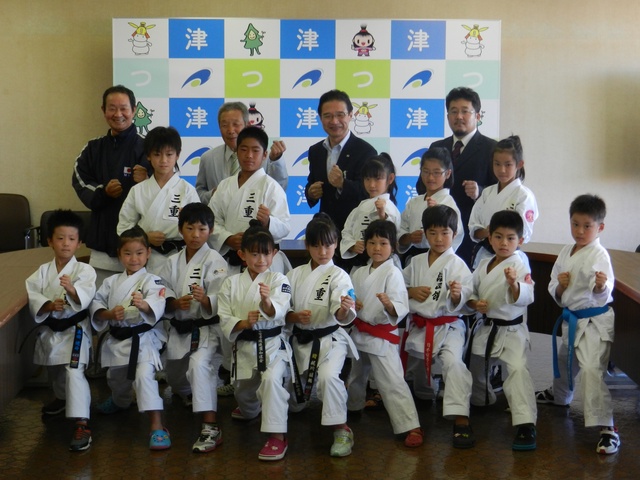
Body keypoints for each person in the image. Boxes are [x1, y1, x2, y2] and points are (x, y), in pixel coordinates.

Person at [536, 194, 620, 455]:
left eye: (587, 226)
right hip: (573, 319)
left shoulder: (600, 255)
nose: (580, 231)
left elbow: (607, 291)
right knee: (565, 360)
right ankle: (559, 396)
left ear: (600, 227)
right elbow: (553, 284)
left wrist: (600, 286)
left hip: (594, 321)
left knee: (591, 371)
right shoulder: (566, 250)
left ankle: (608, 429)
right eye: (575, 224)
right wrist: (559, 286)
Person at [218, 221, 292, 461]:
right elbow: (225, 317)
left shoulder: (280, 279)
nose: (261, 259)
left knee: (271, 380)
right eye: (255, 253)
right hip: (244, 346)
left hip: (272, 345)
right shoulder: (230, 283)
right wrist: (242, 323)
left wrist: (267, 303)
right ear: (242, 255)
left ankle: (277, 436)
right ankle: (251, 409)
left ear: (274, 254)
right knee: (244, 394)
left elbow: (279, 310)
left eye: (266, 253)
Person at [90, 227, 170, 450]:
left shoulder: (153, 281)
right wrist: (108, 314)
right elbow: (97, 304)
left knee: (144, 377)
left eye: (139, 253)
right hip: (117, 339)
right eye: (128, 253)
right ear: (119, 254)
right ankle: (120, 400)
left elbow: (158, 304)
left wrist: (143, 304)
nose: (134, 259)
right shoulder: (111, 282)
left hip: (142, 339)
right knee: (116, 379)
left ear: (148, 254)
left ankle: (157, 426)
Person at [402, 205, 475, 448]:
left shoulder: (458, 265)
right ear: (424, 233)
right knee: (417, 381)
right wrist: (410, 290)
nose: (439, 239)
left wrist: (457, 296)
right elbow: (396, 287)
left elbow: (467, 301)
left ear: (454, 234)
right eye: (432, 233)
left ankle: (461, 419)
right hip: (420, 326)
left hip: (449, 326)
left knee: (454, 364)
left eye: (445, 233)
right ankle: (421, 396)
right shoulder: (415, 261)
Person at [286, 213, 358, 457]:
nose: (322, 251)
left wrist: (343, 308)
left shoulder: (339, 275)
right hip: (300, 340)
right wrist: (293, 317)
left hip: (329, 341)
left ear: (336, 243)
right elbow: (281, 307)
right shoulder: (294, 275)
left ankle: (342, 429)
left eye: (328, 244)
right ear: (307, 245)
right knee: (293, 402)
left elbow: (341, 308)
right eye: (316, 245)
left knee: (327, 377)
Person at [347, 220, 423, 448]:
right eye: (372, 243)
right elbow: (349, 297)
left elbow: (399, 307)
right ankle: (353, 407)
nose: (377, 248)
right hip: (359, 332)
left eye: (383, 243)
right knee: (356, 376)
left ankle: (411, 425)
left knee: (391, 381)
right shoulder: (359, 272)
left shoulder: (393, 273)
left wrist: (390, 305)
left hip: (381, 335)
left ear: (393, 247)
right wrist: (353, 304)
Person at [158, 203, 228, 453]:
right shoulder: (172, 261)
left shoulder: (216, 261)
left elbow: (223, 299)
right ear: (180, 230)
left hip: (205, 329)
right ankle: (189, 393)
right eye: (190, 228)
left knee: (199, 366)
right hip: (178, 328)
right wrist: (174, 302)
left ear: (210, 231)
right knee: (176, 377)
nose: (195, 234)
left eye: (202, 228)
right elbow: (161, 292)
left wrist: (205, 299)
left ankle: (210, 426)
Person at [464, 210, 537, 451]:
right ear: (490, 238)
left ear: (520, 241)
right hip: (487, 327)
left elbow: (527, 294)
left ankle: (526, 424)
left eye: (510, 238)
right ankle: (484, 398)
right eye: (498, 237)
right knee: (476, 365)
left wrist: (514, 284)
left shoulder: (519, 262)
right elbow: (471, 290)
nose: (504, 243)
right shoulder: (484, 264)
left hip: (512, 330)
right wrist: (475, 304)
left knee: (516, 370)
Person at [25, 210, 97, 451]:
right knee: (55, 370)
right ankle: (62, 398)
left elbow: (85, 298)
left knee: (74, 371)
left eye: (71, 238)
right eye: (60, 238)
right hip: (52, 328)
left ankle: (82, 422)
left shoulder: (84, 271)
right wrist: (48, 304)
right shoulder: (42, 271)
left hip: (75, 328)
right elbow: (33, 294)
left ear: (79, 242)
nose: (66, 243)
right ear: (49, 241)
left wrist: (72, 290)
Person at [72, 85, 149, 285]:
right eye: (112, 108)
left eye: (123, 108)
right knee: (101, 307)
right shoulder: (93, 148)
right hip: (102, 245)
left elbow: (164, 191)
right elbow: (80, 181)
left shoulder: (148, 148)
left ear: (133, 110)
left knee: (137, 308)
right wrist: (103, 192)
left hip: (139, 249)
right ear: (103, 111)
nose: (118, 114)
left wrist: (148, 182)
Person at [418, 87, 497, 266]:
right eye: (453, 112)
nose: (459, 116)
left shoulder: (491, 148)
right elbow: (421, 186)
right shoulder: (437, 146)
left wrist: (480, 191)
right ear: (447, 117)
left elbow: (501, 191)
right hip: (438, 234)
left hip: (472, 236)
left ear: (477, 116)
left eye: (464, 111)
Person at [208, 126, 291, 274]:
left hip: (262, 262)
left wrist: (268, 222)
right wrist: (227, 238)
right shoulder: (225, 185)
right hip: (230, 259)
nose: (249, 155)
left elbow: (285, 226)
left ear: (265, 154)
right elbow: (211, 221)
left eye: (255, 150)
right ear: (236, 151)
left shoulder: (271, 187)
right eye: (244, 149)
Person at [117, 126, 199, 274]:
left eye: (169, 154)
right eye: (157, 154)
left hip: (179, 256)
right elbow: (123, 227)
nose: (163, 160)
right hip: (145, 258)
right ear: (148, 156)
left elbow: (199, 229)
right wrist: (145, 237)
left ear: (178, 155)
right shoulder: (138, 190)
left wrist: (186, 226)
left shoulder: (187, 190)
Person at [305, 89, 377, 235]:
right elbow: (312, 182)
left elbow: (370, 193)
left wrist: (343, 184)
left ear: (350, 115)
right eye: (327, 116)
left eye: (340, 115)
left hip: (356, 232)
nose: (334, 121)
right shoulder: (316, 151)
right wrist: (311, 193)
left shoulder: (366, 151)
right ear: (320, 118)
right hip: (326, 233)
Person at [468, 135, 538, 269]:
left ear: (519, 164)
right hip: (484, 256)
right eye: (497, 164)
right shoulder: (487, 193)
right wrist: (488, 232)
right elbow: (473, 229)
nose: (502, 170)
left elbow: (524, 233)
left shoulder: (524, 196)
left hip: (510, 258)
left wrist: (497, 233)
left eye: (508, 164)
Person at [196, 102, 288, 204]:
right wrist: (213, 194)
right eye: (224, 125)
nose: (230, 130)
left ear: (247, 125)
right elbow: (198, 194)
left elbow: (280, 188)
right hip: (218, 218)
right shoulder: (208, 158)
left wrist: (276, 160)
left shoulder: (264, 156)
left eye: (236, 124)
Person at [399, 148, 464, 262]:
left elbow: (456, 234)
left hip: (439, 258)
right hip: (413, 258)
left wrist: (439, 214)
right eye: (426, 171)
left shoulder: (448, 203)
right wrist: (409, 238)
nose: (430, 177)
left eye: (436, 172)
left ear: (447, 173)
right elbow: (401, 230)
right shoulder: (414, 202)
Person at [340, 153, 401, 268]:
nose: (372, 185)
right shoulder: (361, 206)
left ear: (390, 178)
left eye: (378, 179)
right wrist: (352, 245)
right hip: (360, 264)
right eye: (367, 179)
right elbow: (347, 230)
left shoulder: (390, 207)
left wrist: (382, 215)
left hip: (384, 264)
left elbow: (394, 236)